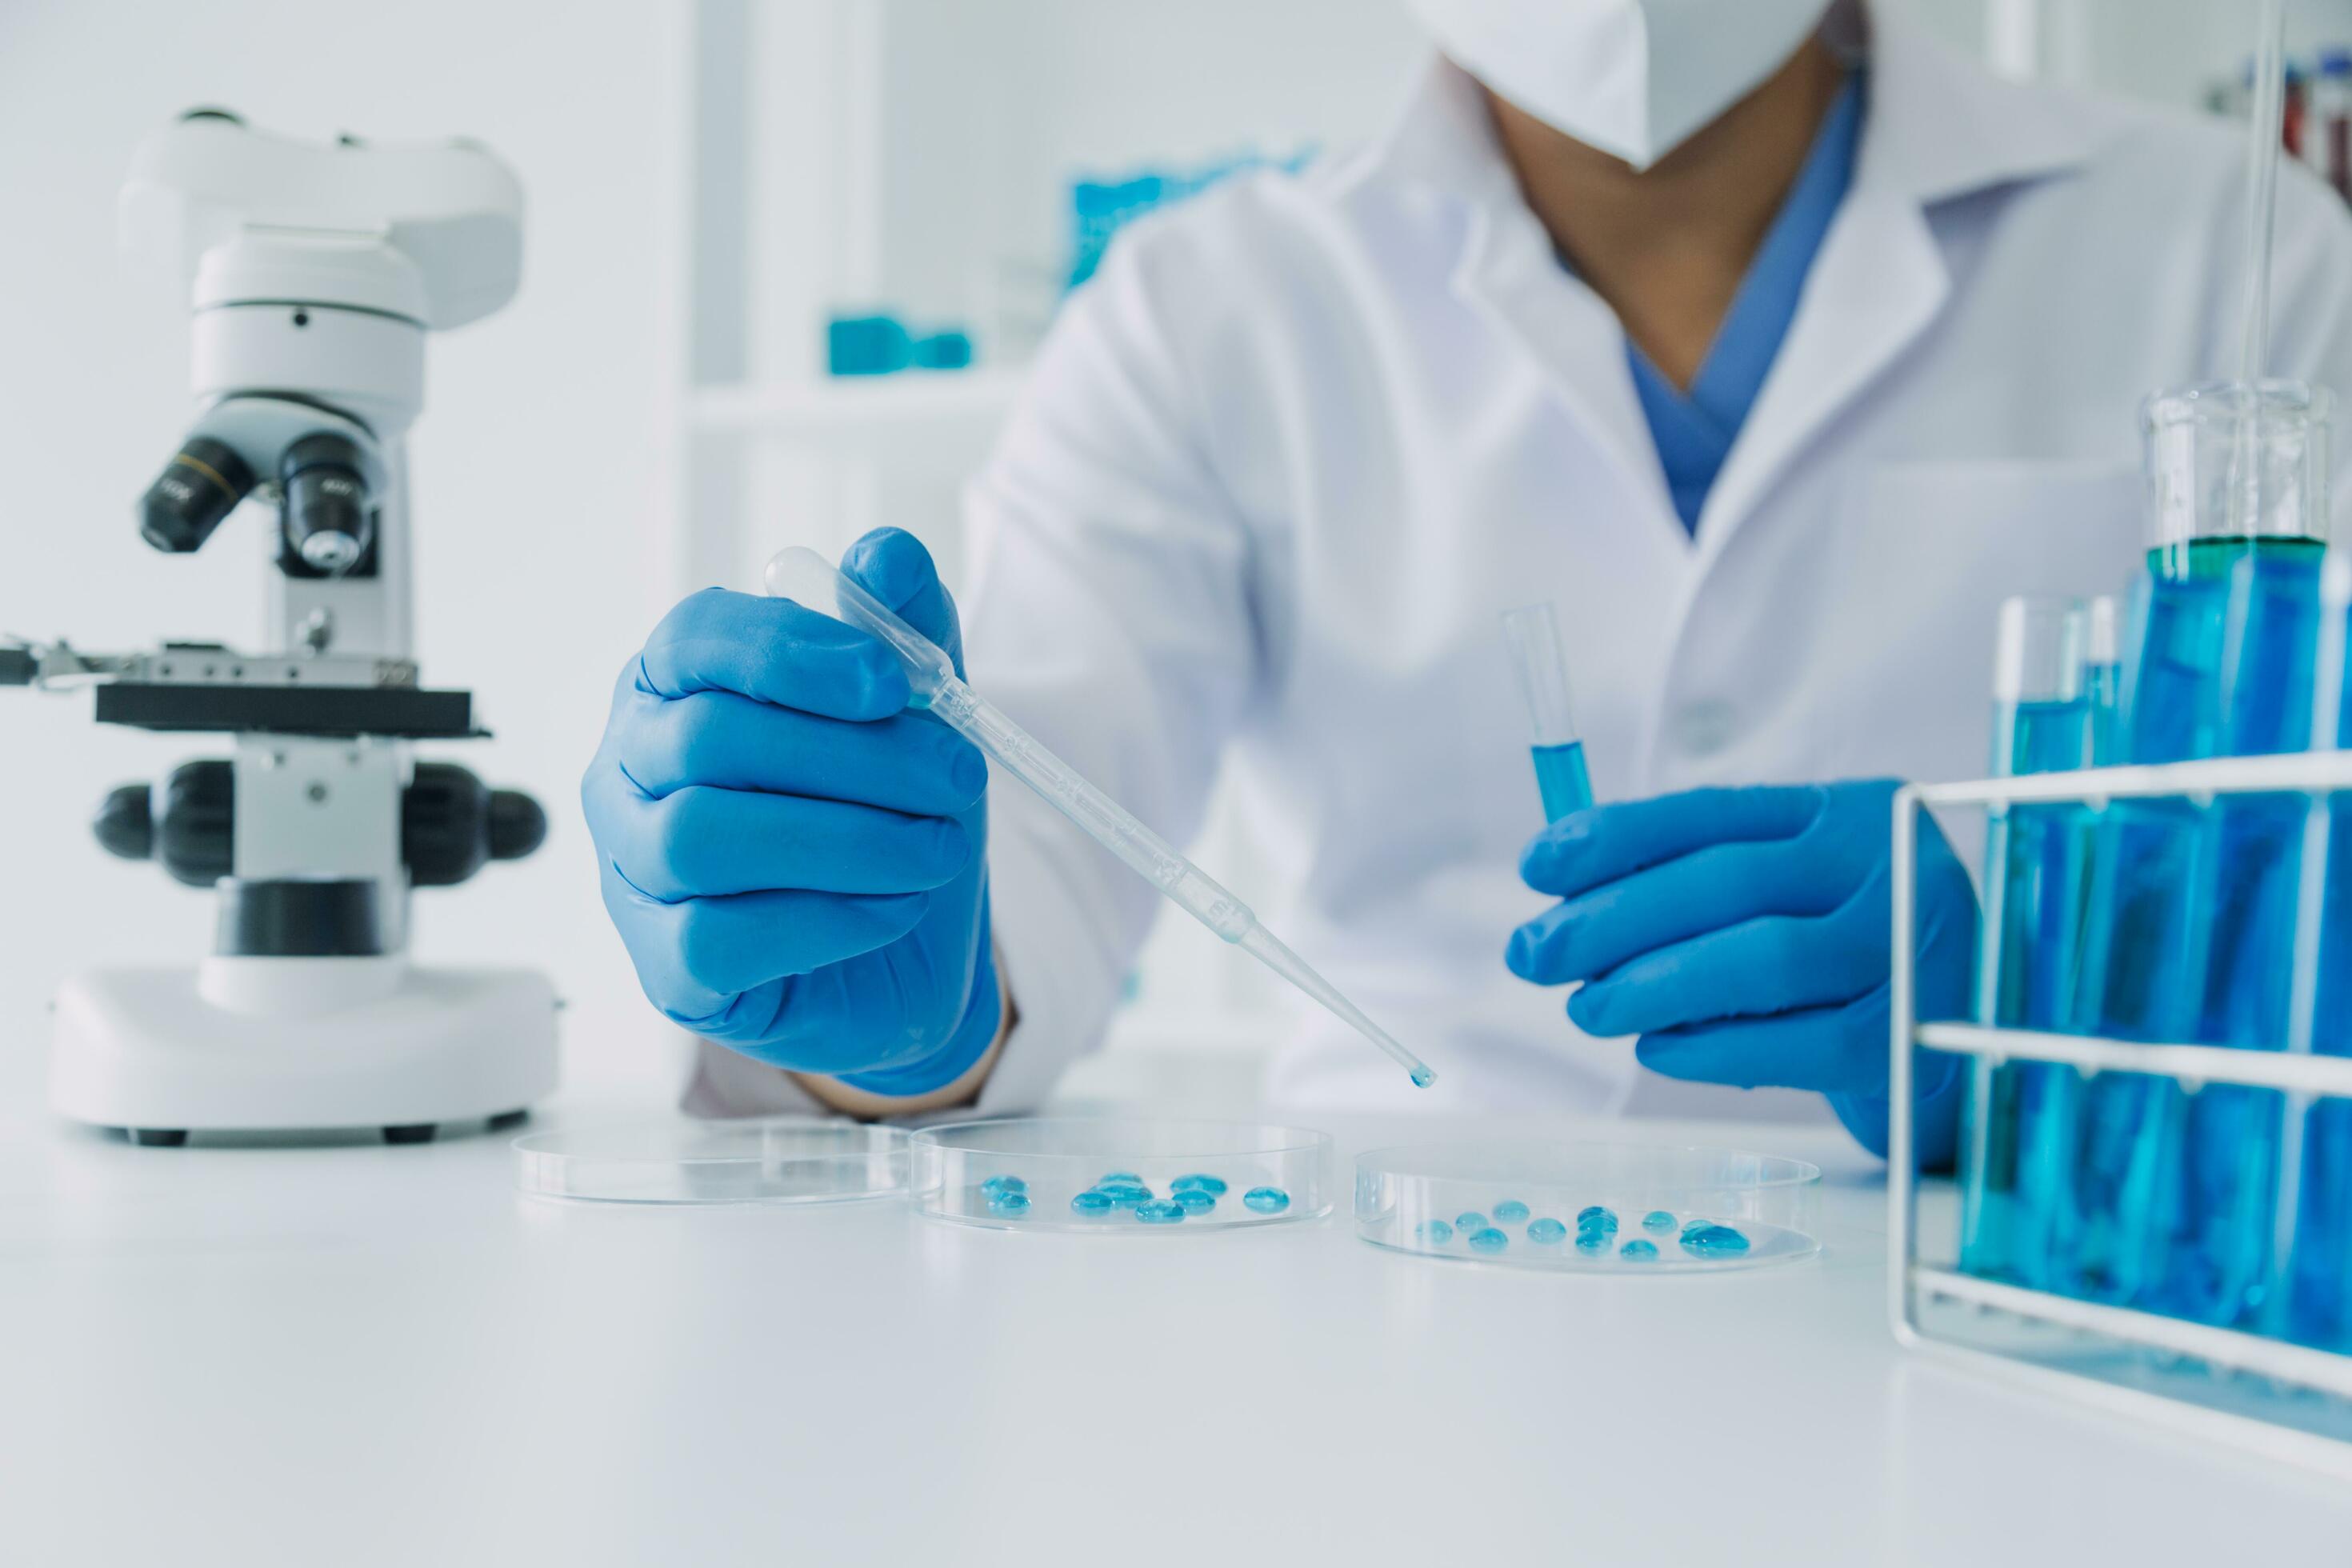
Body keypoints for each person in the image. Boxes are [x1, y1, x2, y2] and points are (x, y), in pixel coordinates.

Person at [582, 0, 2352, 1163]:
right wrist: (886, 965)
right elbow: (1034, 826)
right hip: (1403, 1310)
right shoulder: (1213, 303)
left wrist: (2057, 985)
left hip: (2002, 1287)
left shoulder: (2239, 256)